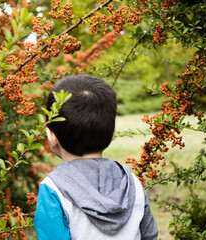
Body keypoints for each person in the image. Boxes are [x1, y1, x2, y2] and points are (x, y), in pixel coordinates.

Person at [34, 75, 158, 240]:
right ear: (112, 132)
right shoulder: (132, 182)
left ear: (51, 136)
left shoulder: (52, 190)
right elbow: (149, 235)